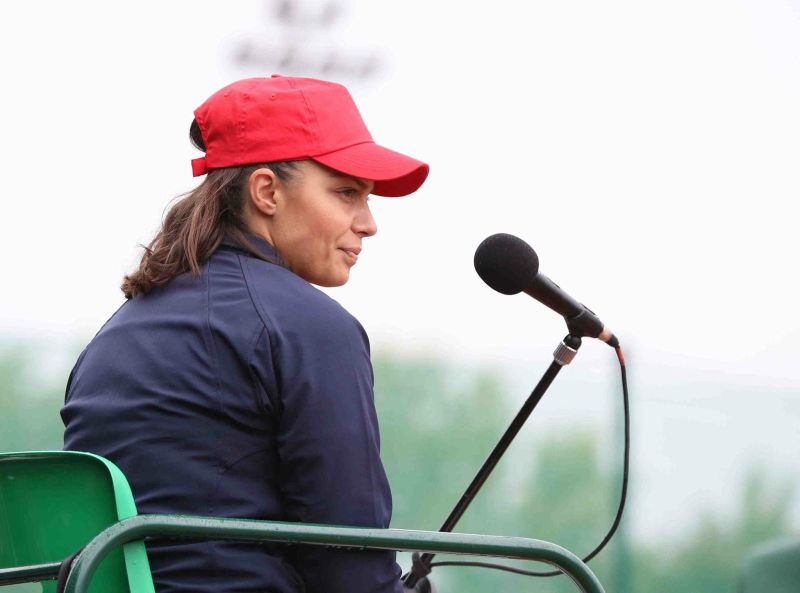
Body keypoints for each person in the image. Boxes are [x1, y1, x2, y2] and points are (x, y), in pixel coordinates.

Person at [61, 75, 430, 593]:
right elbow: (350, 565)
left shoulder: (117, 331)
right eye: (346, 193)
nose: (368, 223)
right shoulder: (314, 329)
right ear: (266, 192)